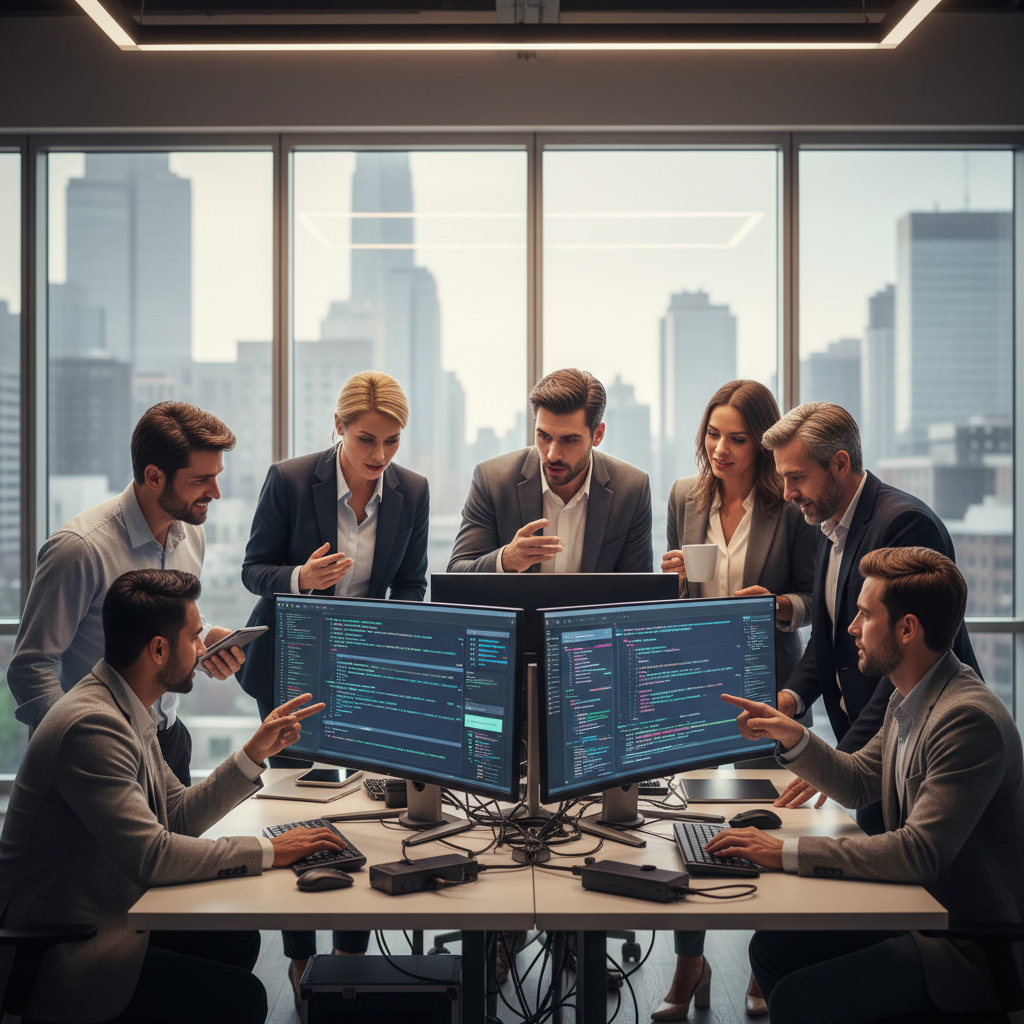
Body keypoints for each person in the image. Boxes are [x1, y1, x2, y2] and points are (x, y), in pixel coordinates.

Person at [0, 568, 347, 1024]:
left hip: (106, 910)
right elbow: (152, 857)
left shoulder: (125, 704)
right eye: (196, 637)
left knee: (237, 940)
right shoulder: (92, 727)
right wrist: (270, 850)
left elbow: (176, 815)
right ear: (158, 649)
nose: (205, 650)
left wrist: (253, 752)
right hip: (66, 947)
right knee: (241, 998)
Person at [705, 547, 1024, 1023]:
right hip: (920, 915)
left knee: (798, 1000)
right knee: (773, 948)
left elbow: (919, 852)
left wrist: (783, 852)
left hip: (967, 947)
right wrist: (792, 734)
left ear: (907, 629)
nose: (851, 628)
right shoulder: (910, 696)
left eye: (864, 614)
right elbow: (856, 782)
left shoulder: (965, 719)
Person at [237, 369, 429, 1001]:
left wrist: (388, 640)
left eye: (392, 442)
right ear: (339, 428)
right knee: (293, 801)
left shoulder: (412, 491)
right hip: (292, 660)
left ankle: (349, 952)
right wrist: (302, 578)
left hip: (363, 666)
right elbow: (253, 570)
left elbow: (410, 583)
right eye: (367, 440)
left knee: (362, 809)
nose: (379, 457)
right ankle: (298, 953)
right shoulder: (292, 479)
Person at [654, 379, 816, 1021]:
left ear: (761, 443)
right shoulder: (683, 498)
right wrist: (667, 582)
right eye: (713, 433)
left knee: (766, 821)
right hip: (693, 679)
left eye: (738, 438)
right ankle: (690, 965)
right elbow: (666, 603)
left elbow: (810, 598)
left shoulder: (786, 507)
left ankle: (761, 961)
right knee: (684, 819)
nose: (720, 448)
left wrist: (775, 606)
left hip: (764, 682)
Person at [759, 402, 979, 832]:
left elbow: (904, 661)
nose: (787, 493)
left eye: (796, 477)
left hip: (918, 747)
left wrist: (845, 763)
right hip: (871, 753)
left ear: (840, 464)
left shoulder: (906, 523)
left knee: (915, 878)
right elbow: (827, 641)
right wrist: (790, 700)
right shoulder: (828, 523)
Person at [7, 401, 248, 787]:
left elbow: (161, 629)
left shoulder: (192, 533)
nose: (216, 492)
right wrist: (83, 743)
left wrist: (203, 641)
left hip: (168, 741)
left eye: (217, 476)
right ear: (154, 476)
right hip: (99, 753)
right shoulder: (79, 548)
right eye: (202, 479)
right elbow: (29, 669)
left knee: (182, 844)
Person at [448, 367, 652, 575]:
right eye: (544, 436)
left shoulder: (631, 489)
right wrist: (506, 560)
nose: (553, 455)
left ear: (597, 435)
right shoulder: (492, 481)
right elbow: (456, 574)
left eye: (569, 440)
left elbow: (639, 592)